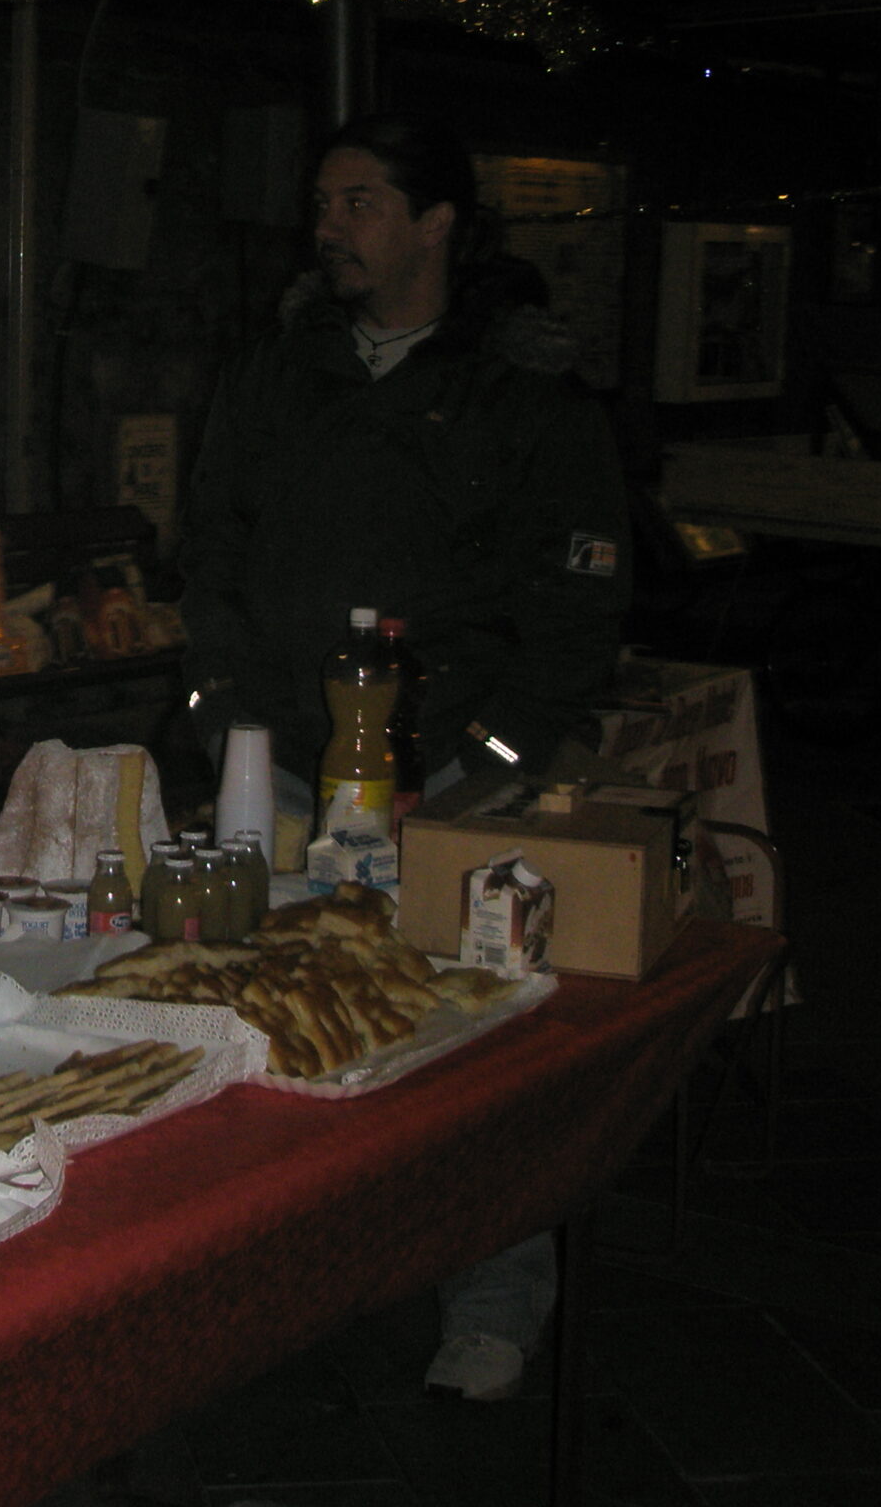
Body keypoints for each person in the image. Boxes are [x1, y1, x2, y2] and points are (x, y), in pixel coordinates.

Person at [180, 111, 631, 1400]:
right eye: (323, 203)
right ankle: (288, 1275)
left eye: (362, 202)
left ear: (437, 221)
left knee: (473, 1045)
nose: (331, 228)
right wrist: (223, 707)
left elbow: (579, 595)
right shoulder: (279, 370)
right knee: (276, 1021)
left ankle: (493, 1295)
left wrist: (493, 750)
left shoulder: (520, 386)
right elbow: (210, 543)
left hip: (448, 777)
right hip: (278, 769)